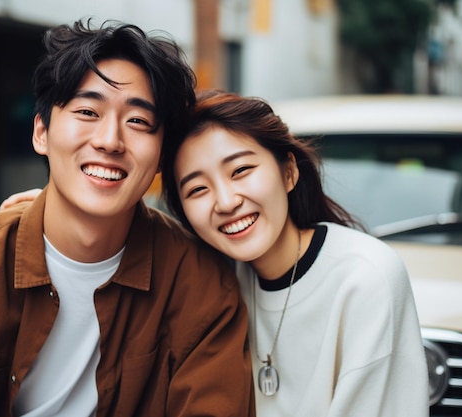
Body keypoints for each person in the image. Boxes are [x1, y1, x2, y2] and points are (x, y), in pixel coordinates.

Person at [0, 22, 255, 417]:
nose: (110, 140)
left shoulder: (199, 284)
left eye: (138, 122)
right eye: (87, 111)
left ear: (162, 156)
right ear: (41, 132)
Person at [161, 90, 429, 416]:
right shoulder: (218, 285)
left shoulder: (365, 277)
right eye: (197, 189)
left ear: (288, 171)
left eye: (241, 170)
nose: (226, 202)